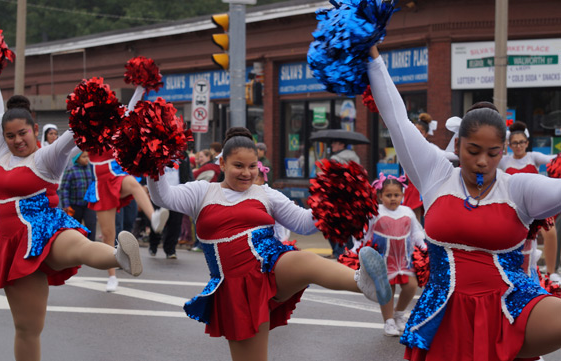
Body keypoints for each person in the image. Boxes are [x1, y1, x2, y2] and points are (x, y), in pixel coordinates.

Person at [368, 45, 561, 360]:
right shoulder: (436, 175)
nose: (483, 162)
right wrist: (373, 59)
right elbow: (396, 119)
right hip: (445, 312)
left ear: (503, 150)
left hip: (510, 305)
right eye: (473, 151)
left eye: (493, 153)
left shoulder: (519, 188)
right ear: (458, 145)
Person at [146, 126, 392, 361]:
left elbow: (304, 223)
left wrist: (333, 201)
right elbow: (162, 196)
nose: (246, 173)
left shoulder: (265, 193)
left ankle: (362, 281)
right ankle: (363, 282)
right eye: (238, 166)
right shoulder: (202, 192)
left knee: (305, 260)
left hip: (271, 267)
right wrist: (152, 159)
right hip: (235, 287)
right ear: (222, 163)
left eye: (252, 166)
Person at [0, 74, 142, 361]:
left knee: (80, 246)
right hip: (11, 244)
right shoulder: (3, 153)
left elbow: (75, 132)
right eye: (10, 135)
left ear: (35, 130)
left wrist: (99, 109)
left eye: (23, 133)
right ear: (2, 137)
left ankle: (120, 257)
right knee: (27, 328)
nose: (18, 140)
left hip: (45, 228)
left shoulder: (47, 157)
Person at [85, 85, 169, 291]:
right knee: (108, 235)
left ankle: (154, 217)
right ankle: (112, 276)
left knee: (132, 183)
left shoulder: (116, 126)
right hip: (100, 183)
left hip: (116, 177)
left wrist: (140, 87)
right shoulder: (86, 130)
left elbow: (130, 109)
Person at [355, 173, 425, 337]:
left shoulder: (407, 211)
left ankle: (399, 314)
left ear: (402, 195)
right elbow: (365, 233)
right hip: (384, 261)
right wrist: (356, 249)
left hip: (404, 260)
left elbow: (416, 233)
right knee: (387, 290)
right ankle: (388, 321)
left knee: (411, 286)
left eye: (396, 195)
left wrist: (423, 246)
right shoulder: (375, 212)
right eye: (388, 195)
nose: (393, 199)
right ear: (380, 196)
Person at [499, 121, 559, 281]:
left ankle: (552, 272)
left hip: (536, 204)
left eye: (521, 142)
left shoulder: (534, 157)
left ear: (527, 143)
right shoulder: (504, 160)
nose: (518, 146)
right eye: (514, 143)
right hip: (515, 207)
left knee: (550, 232)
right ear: (509, 144)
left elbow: (553, 159)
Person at [148, 152, 193, 259]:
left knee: (175, 223)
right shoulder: (158, 152)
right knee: (158, 220)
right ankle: (153, 245)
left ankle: (170, 250)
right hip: (160, 192)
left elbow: (187, 174)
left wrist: (189, 187)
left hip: (178, 192)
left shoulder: (183, 155)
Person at [59, 151, 97, 242]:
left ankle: (91, 246)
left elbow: (94, 183)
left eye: (87, 156)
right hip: (75, 205)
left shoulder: (90, 168)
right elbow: (64, 189)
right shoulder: (70, 170)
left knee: (91, 225)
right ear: (77, 159)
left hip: (89, 204)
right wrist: (66, 205)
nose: (87, 159)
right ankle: (76, 246)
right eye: (84, 157)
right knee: (75, 228)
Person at [254, 161, 290, 243]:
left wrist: (282, 239)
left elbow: (278, 221)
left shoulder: (270, 196)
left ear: (262, 180)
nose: (252, 182)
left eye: (255, 179)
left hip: (271, 240)